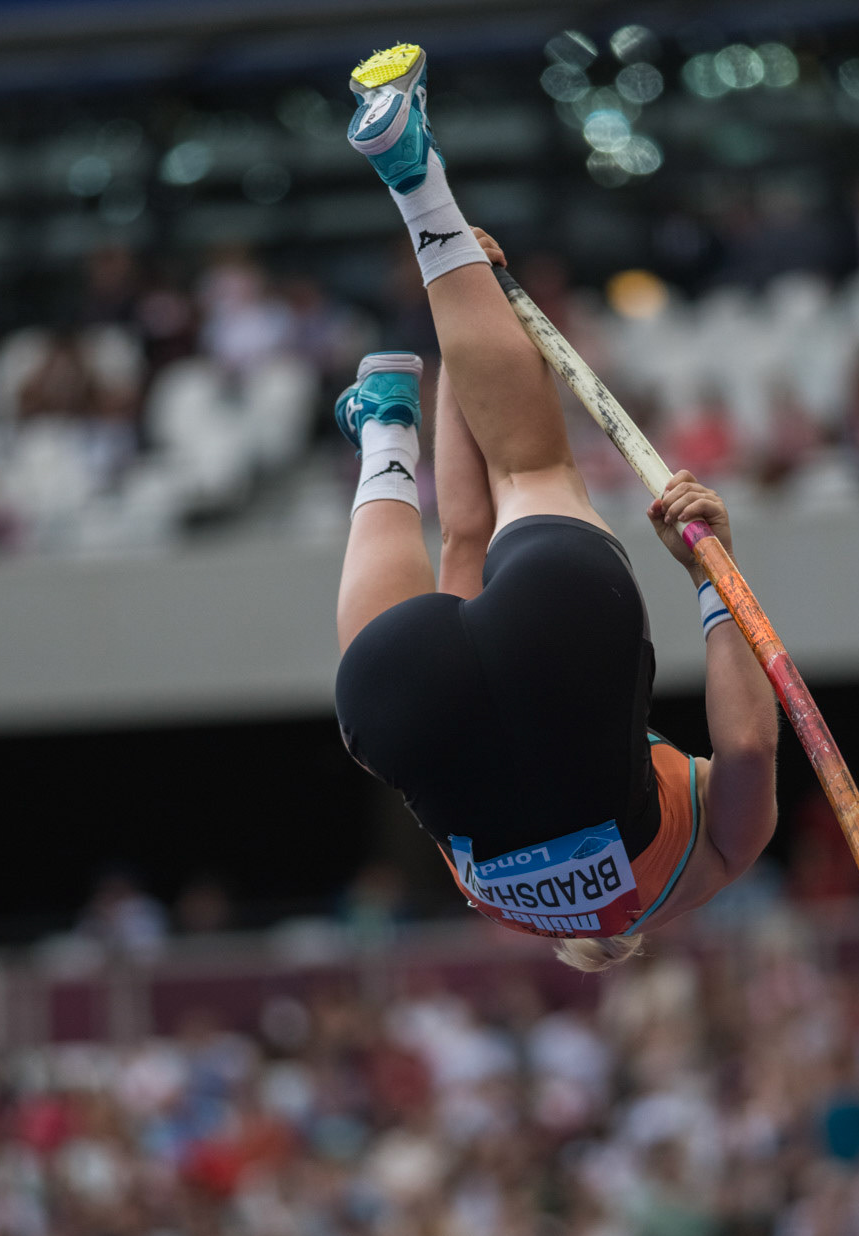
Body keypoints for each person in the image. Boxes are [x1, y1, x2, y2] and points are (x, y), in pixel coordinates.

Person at [333, 44, 778, 971]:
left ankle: (425, 193)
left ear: (634, 936)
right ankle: (384, 435)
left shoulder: (703, 868)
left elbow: (744, 750)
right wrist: (463, 325)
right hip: (406, 698)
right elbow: (458, 560)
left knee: (533, 470)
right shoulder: (485, 894)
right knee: (391, 645)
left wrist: (715, 579)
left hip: (566, 634)